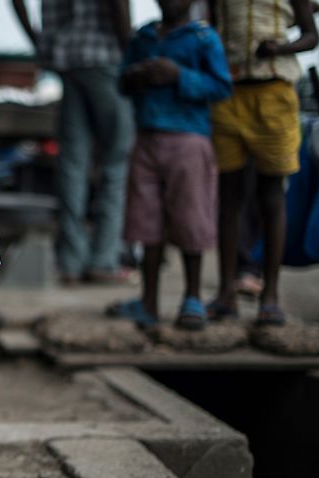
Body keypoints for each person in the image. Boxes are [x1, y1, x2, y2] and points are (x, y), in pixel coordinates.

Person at [106, 0, 232, 329]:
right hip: (146, 137)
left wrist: (179, 76)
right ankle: (148, 301)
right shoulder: (143, 37)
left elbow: (221, 87)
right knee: (147, 222)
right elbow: (122, 81)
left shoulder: (204, 39)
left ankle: (192, 298)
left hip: (189, 140)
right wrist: (136, 77)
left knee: (191, 218)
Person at [206, 0, 319, 326]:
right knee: (229, 199)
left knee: (271, 197)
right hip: (229, 95)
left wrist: (281, 48)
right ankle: (226, 292)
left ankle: (270, 296)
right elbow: (215, 29)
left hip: (274, 95)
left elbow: (312, 36)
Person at [11, 0, 135, 284]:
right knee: (116, 162)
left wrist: (38, 41)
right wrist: (131, 50)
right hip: (105, 55)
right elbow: (119, 6)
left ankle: (70, 261)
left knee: (72, 164)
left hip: (65, 58)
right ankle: (104, 260)